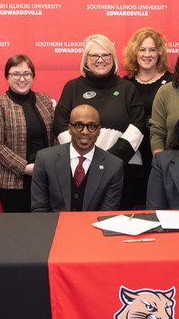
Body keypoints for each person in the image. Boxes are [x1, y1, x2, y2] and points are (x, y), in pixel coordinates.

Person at [54, 34, 144, 210]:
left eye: (105, 55)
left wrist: (109, 160)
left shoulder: (127, 88)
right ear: (86, 60)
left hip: (123, 170)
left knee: (118, 225)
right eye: (94, 55)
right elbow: (60, 124)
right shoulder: (72, 87)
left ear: (113, 58)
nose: (100, 60)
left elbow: (138, 124)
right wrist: (86, 157)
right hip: (80, 170)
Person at [0, 55, 55, 213]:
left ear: (33, 76)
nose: (22, 78)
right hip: (13, 184)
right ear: (7, 77)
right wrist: (25, 167)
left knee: (45, 228)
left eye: (27, 73)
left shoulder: (45, 100)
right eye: (16, 74)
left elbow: (55, 137)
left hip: (45, 178)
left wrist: (52, 166)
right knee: (18, 231)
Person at [31, 105, 124, 212]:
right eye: (79, 125)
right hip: (54, 227)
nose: (85, 131)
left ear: (99, 131)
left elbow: (107, 214)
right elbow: (39, 209)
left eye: (91, 126)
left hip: (92, 227)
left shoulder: (113, 166)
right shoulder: (45, 159)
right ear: (70, 129)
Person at [123, 28, 173, 209]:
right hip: (131, 155)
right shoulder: (124, 84)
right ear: (134, 53)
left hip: (162, 151)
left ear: (159, 53)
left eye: (152, 49)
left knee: (158, 205)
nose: (147, 54)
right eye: (142, 49)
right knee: (131, 205)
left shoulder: (173, 82)